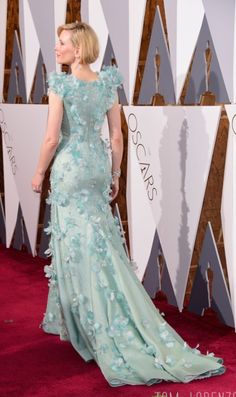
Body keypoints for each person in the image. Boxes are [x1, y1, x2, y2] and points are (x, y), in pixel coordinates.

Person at [31, 21, 225, 387]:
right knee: (101, 246)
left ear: (78, 48)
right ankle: (107, 319)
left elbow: (51, 137)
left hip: (70, 169)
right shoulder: (107, 83)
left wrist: (39, 172)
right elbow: (117, 137)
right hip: (97, 168)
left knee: (77, 248)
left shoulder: (60, 84)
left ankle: (93, 328)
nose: (56, 49)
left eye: (62, 44)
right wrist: (116, 175)